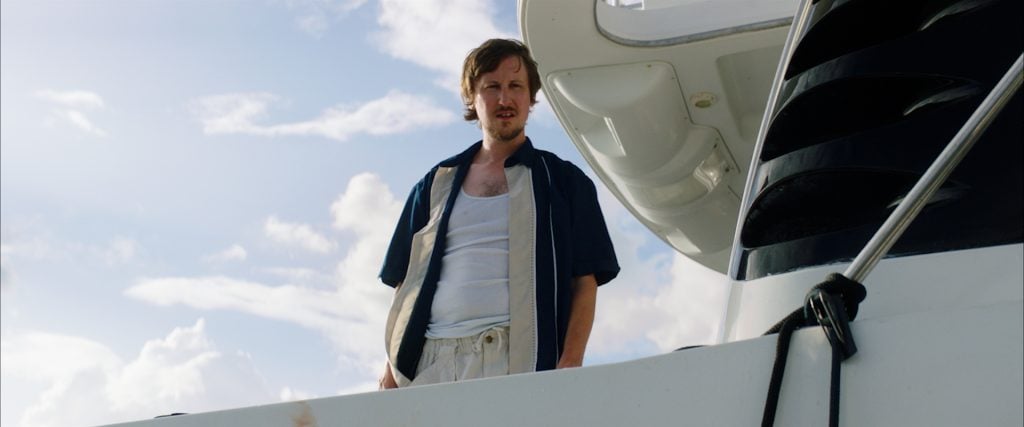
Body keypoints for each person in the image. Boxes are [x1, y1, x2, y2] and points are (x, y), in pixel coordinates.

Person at [378, 38, 619, 389]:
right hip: (432, 363)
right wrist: (390, 370)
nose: (505, 99)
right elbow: (405, 282)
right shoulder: (434, 184)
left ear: (531, 98)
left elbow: (585, 282)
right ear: (472, 99)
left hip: (519, 360)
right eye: (492, 87)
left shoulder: (565, 182)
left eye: (515, 87)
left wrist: (569, 364)